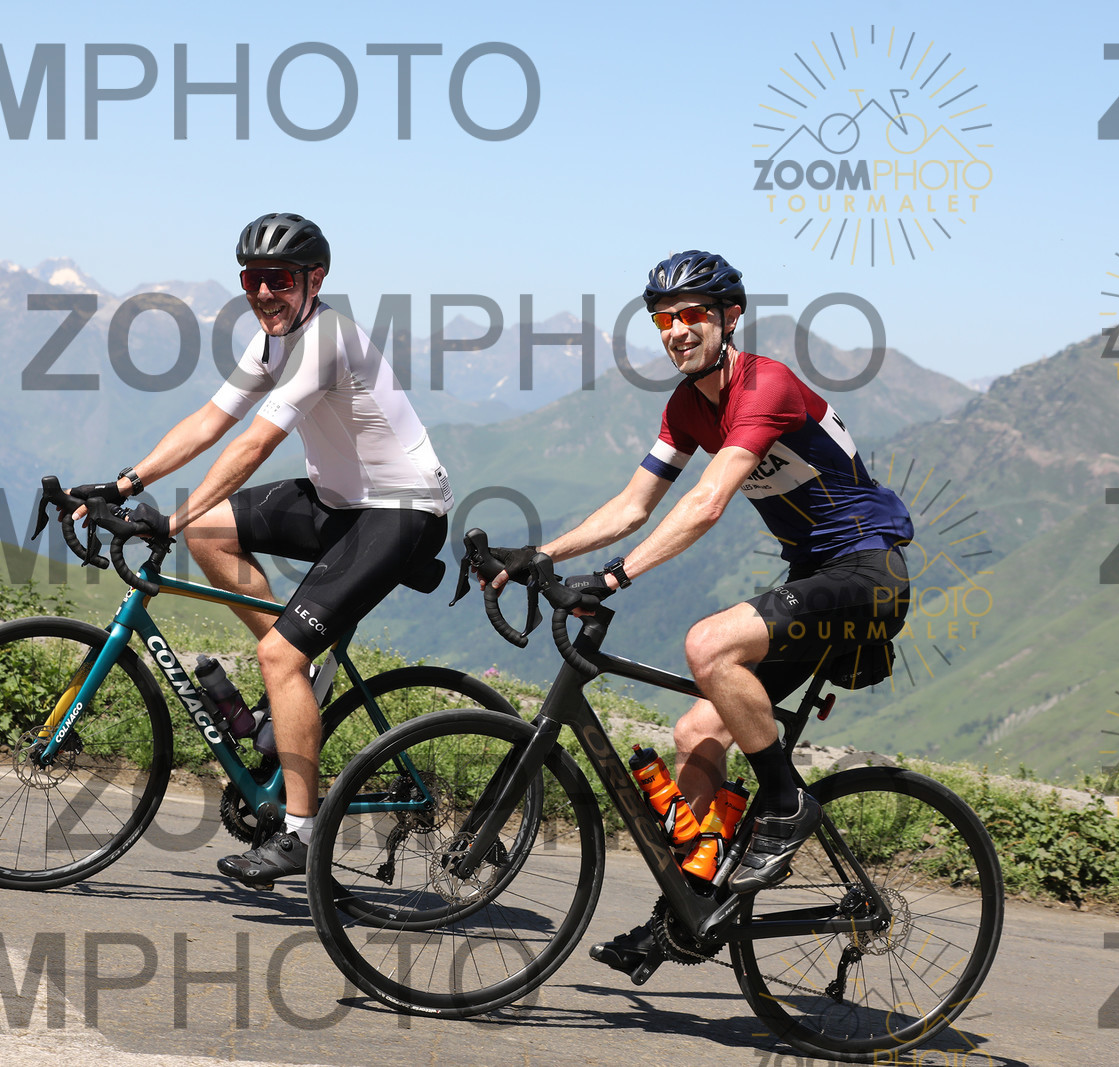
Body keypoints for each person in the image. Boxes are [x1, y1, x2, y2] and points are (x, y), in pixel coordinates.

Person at [489, 250, 911, 976]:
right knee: (696, 734)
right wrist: (541, 554)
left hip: (868, 573)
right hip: (814, 578)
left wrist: (615, 576)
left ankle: (786, 803)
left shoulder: (766, 385)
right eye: (664, 320)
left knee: (709, 644)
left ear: (729, 317)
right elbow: (634, 505)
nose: (677, 331)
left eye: (692, 315)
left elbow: (708, 502)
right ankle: (686, 913)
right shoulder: (688, 406)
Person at [72, 213, 453, 886]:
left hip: (402, 511)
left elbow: (253, 444)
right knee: (210, 532)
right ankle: (292, 693)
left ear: (315, 280)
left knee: (278, 651)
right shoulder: (273, 341)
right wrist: (127, 482)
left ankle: (301, 832)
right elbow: (211, 421)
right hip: (340, 501)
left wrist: (170, 518)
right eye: (251, 280)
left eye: (278, 279)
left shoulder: (326, 341)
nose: (263, 293)